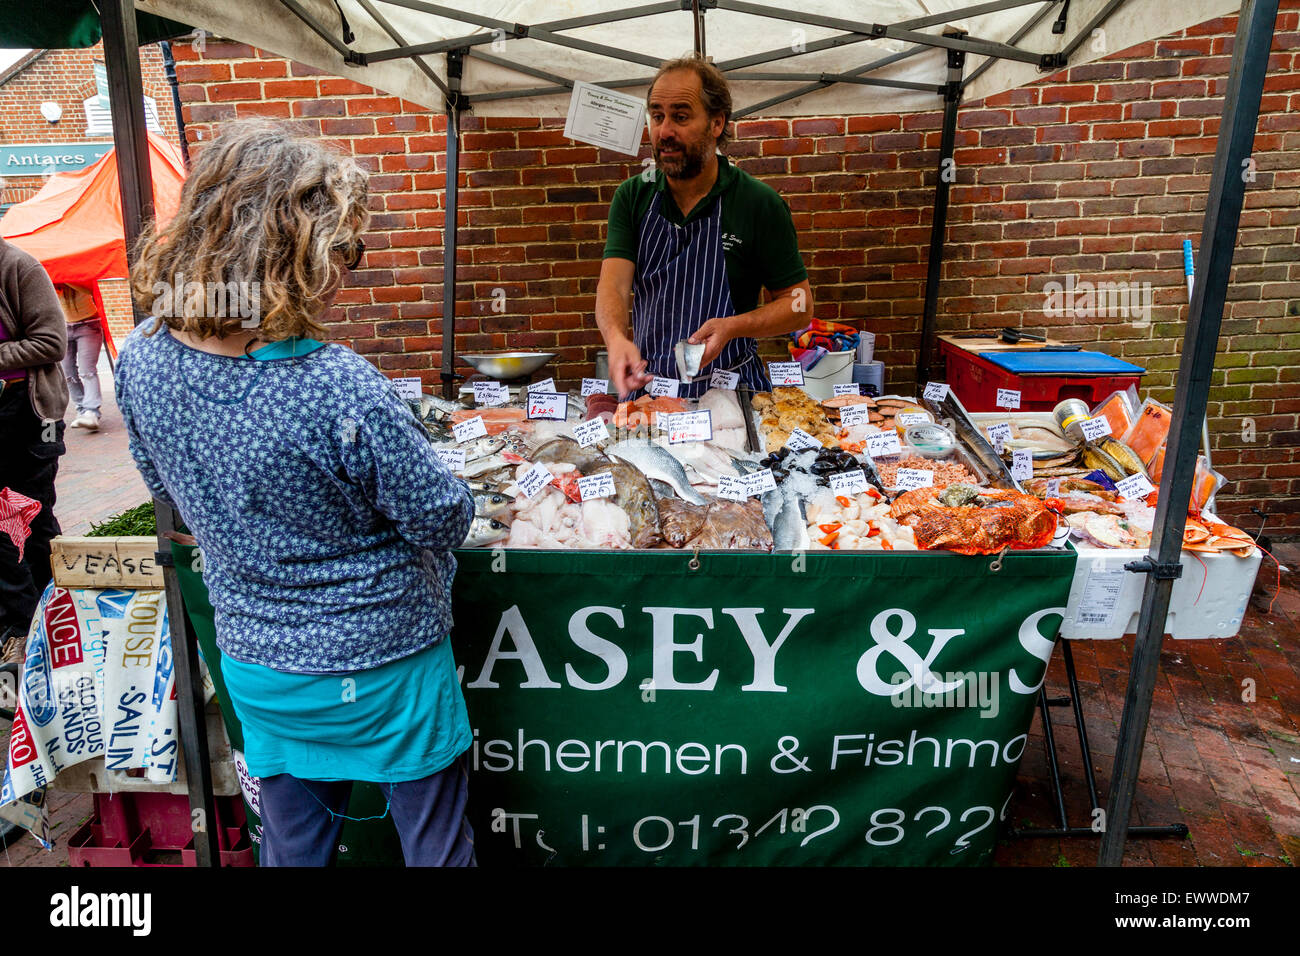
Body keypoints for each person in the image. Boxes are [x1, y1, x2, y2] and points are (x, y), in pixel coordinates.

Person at [118, 120, 476, 866]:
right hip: (388, 668)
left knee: (292, 851)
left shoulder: (143, 356)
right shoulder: (336, 384)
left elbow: (170, 494)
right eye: (341, 248)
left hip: (261, 665)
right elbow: (441, 518)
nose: (344, 270)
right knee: (436, 851)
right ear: (291, 248)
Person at [596, 54, 813, 399]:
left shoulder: (758, 203)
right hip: (651, 392)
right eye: (657, 116)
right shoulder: (633, 196)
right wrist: (617, 339)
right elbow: (615, 287)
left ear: (716, 123)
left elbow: (799, 305)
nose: (664, 131)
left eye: (680, 117)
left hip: (731, 392)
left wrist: (734, 326)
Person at [0, 238, 68, 650]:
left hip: (27, 416)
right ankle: (22, 627)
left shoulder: (19, 267)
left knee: (28, 517)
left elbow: (50, 343)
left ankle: (43, 624)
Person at [58, 283, 103, 431]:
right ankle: (82, 409)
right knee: (67, 373)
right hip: (63, 327)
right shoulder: (50, 275)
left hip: (88, 324)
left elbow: (91, 289)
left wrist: (66, 279)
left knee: (87, 370)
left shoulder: (77, 270)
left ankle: (92, 411)